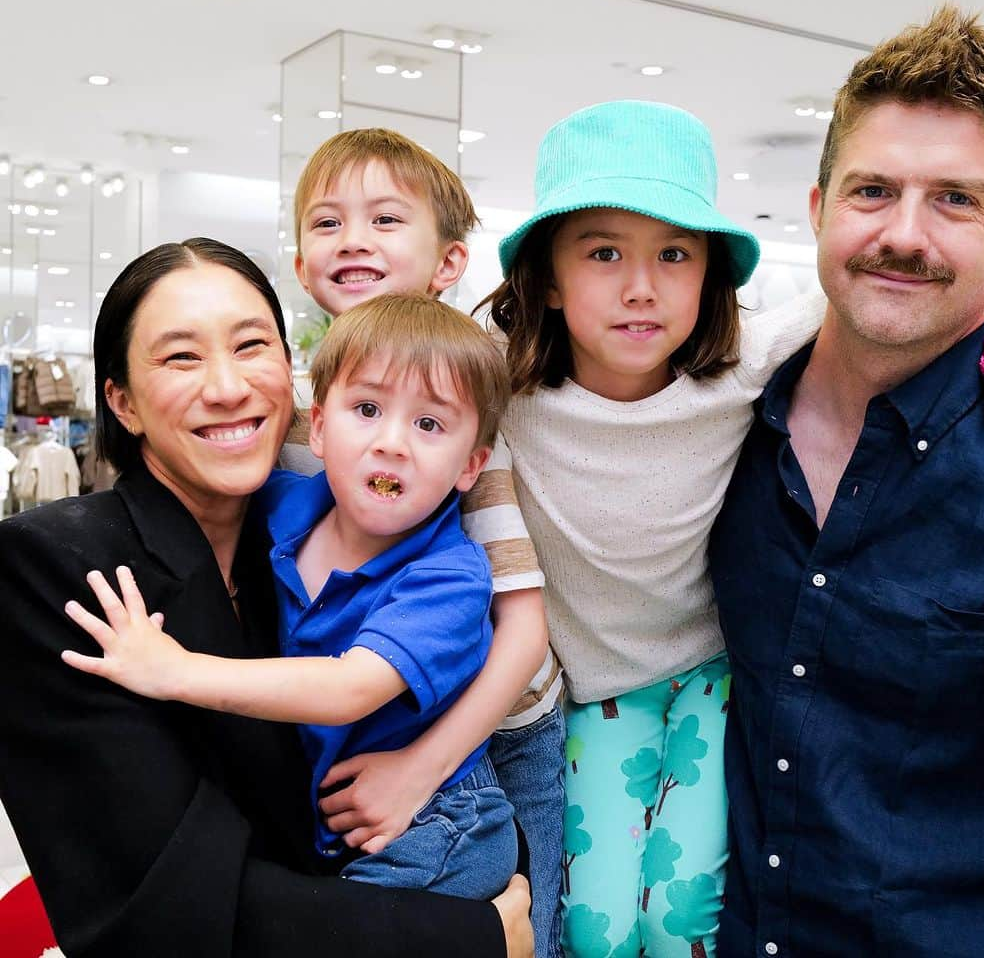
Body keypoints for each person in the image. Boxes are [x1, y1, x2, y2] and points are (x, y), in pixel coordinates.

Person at [0, 238, 531, 957]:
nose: (226, 387)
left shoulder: (330, 526)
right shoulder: (60, 564)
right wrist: (478, 940)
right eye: (182, 357)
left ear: (289, 373)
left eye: (251, 345)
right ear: (120, 401)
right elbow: (157, 896)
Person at [708, 7, 984, 957]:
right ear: (819, 206)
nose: (903, 235)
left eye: (956, 199)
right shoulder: (719, 422)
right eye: (873, 190)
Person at [488, 99, 825, 958]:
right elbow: (378, 350)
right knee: (597, 931)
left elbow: (891, 281)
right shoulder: (501, 387)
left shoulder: (743, 364)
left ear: (711, 274)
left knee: (682, 922)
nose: (641, 286)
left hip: (713, 675)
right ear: (549, 277)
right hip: (593, 688)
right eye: (603, 252)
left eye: (675, 254)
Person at [283, 127, 562, 956]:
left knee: (526, 927)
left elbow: (523, 628)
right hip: (379, 716)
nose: (354, 240)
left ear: (448, 264)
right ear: (301, 264)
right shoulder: (304, 409)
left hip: (498, 729)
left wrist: (424, 767)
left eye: (386, 220)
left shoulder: (458, 406)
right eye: (327, 223)